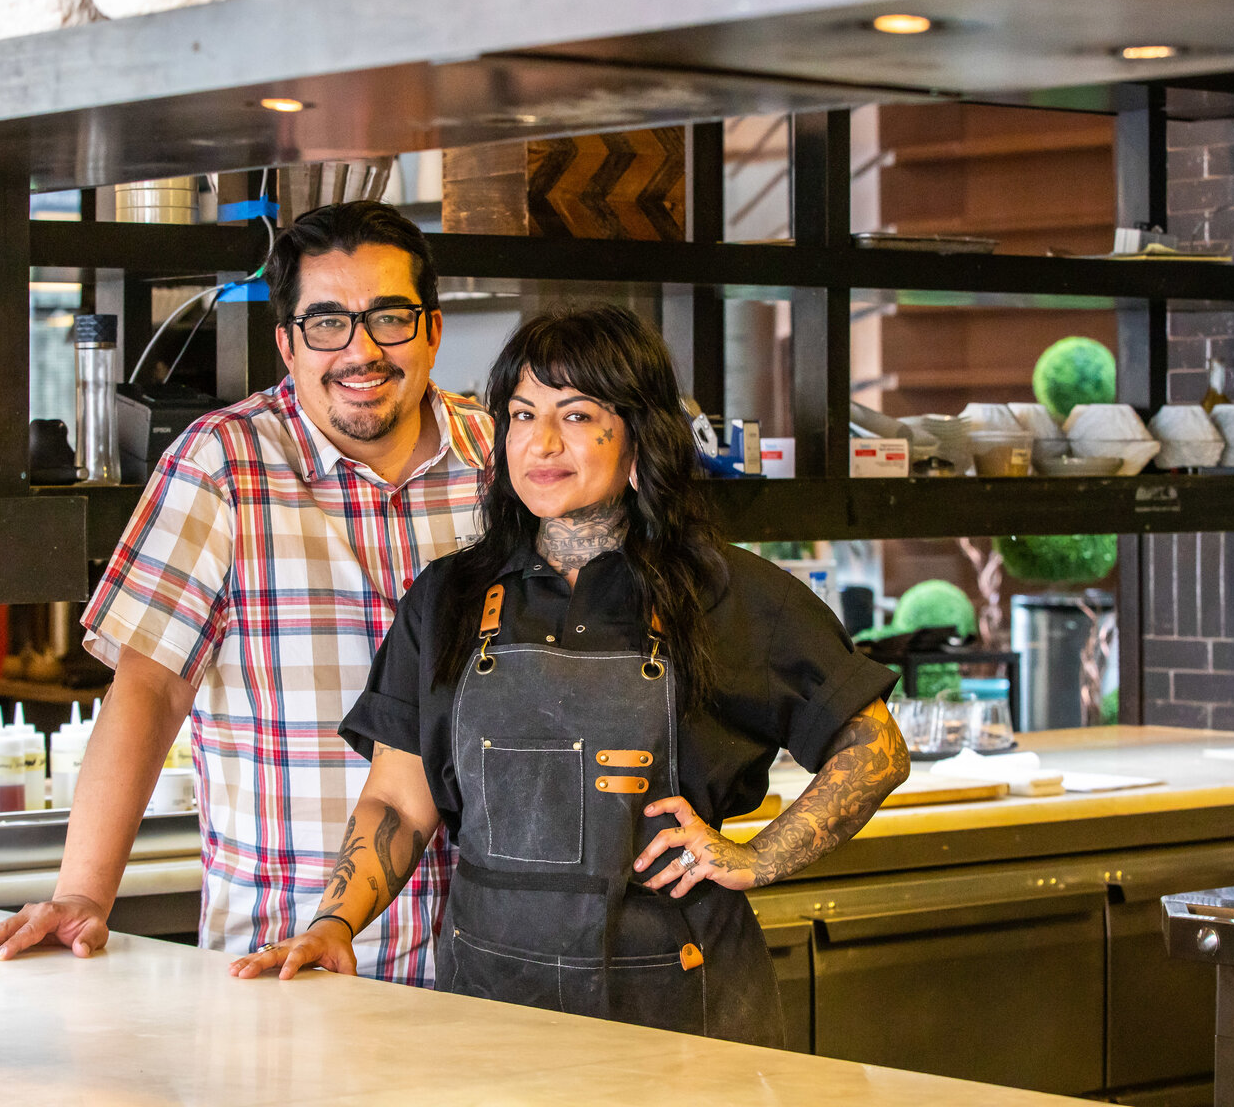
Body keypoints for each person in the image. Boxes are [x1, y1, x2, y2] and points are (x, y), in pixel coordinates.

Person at [232, 304, 911, 1047]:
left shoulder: (726, 593)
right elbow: (399, 799)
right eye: (522, 415)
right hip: (490, 1012)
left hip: (680, 1016)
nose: (541, 443)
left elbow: (874, 747)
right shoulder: (450, 597)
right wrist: (336, 923)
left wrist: (762, 855)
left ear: (639, 433)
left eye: (577, 414)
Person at [0, 201, 492, 985]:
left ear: (433, 331)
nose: (361, 349)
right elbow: (149, 689)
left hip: (490, 966)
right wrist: (81, 893)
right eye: (327, 323)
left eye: (389, 318)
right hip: (287, 965)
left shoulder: (505, 463)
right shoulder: (224, 464)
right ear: (287, 344)